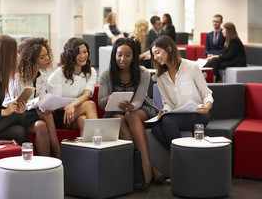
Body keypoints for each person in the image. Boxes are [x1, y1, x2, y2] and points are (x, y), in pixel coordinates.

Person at [98, 37, 162, 186]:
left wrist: (131, 106)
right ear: (114, 55)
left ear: (134, 56)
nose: (123, 59)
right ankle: (150, 169)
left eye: (128, 55)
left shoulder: (143, 73)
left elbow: (139, 100)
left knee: (130, 115)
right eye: (119, 55)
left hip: (141, 109)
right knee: (120, 119)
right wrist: (108, 99)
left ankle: (146, 168)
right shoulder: (106, 75)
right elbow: (101, 103)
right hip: (115, 113)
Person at [150, 36, 213, 150]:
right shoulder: (160, 77)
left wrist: (208, 104)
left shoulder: (192, 67)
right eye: (153, 54)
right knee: (155, 126)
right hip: (178, 115)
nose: (155, 57)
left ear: (169, 49)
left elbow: (206, 93)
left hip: (198, 114)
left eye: (158, 52)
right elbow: (167, 102)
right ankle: (180, 154)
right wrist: (165, 110)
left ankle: (180, 155)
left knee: (168, 121)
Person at [3, 37, 60, 158]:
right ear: (31, 59)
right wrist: (37, 102)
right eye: (42, 57)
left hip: (34, 112)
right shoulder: (17, 77)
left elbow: (42, 98)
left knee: (42, 124)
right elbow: (8, 102)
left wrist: (45, 105)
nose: (47, 59)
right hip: (17, 113)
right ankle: (58, 157)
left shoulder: (42, 76)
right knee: (46, 117)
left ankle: (50, 161)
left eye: (47, 55)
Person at [48, 37, 98, 136]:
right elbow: (55, 104)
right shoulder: (59, 73)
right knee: (89, 105)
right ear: (71, 55)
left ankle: (87, 150)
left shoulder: (91, 71)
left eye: (85, 52)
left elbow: (86, 94)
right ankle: (99, 139)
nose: (83, 56)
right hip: (61, 115)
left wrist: (73, 105)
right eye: (78, 53)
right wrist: (70, 107)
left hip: (76, 111)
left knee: (83, 120)